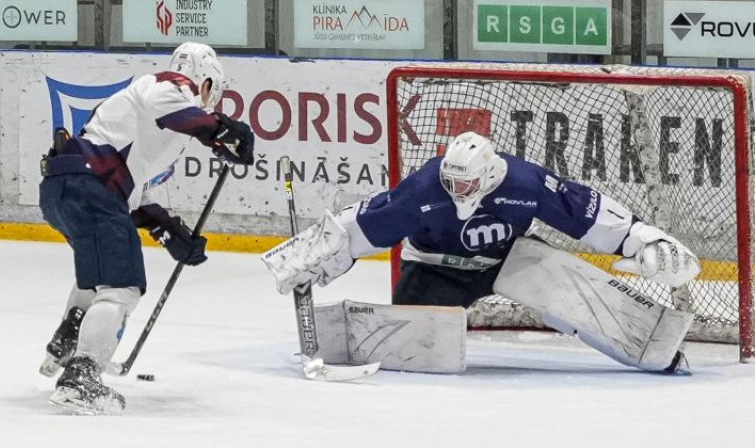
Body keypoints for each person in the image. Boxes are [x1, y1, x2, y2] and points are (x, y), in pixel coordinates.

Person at [262, 131, 700, 374]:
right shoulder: (424, 187)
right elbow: (369, 225)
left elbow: (580, 211)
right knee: (409, 353)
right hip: (435, 269)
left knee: (576, 293)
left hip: (510, 260)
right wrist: (315, 257)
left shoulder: (525, 184)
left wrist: (644, 239)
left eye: (466, 184)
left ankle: (653, 346)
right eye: (451, 183)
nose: (457, 192)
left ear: (489, 174)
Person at [38, 42, 254, 414]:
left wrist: (170, 232)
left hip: (66, 189)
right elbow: (173, 110)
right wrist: (221, 130)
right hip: (91, 189)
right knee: (121, 288)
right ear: (204, 82)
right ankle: (81, 376)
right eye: (210, 95)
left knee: (102, 271)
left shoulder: (141, 120)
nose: (207, 102)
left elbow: (134, 203)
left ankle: (72, 330)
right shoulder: (169, 83)